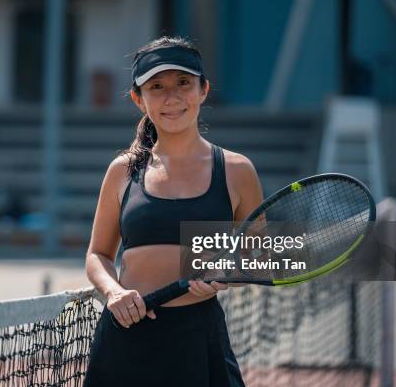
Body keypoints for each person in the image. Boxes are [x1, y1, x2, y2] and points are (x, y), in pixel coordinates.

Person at [83, 36, 264, 386]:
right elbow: (97, 254)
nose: (172, 97)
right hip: (125, 341)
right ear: (139, 99)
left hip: (200, 340)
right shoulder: (122, 171)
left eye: (183, 83)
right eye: (156, 86)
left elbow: (257, 255)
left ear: (203, 90)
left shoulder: (237, 170)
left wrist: (225, 273)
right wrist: (114, 292)